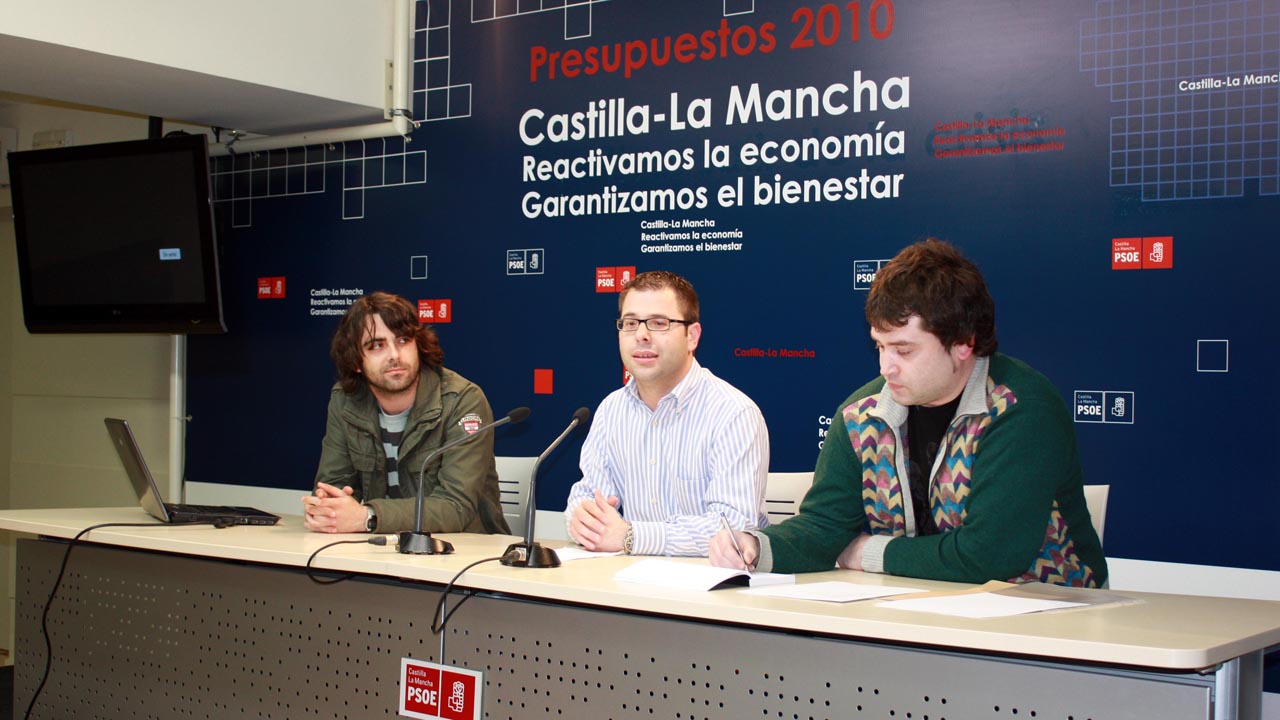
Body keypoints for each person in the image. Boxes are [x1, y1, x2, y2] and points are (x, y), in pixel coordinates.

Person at [710, 240, 1107, 587]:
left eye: (904, 350)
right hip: (920, 609)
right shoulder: (860, 415)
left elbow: (988, 555)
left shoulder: (1019, 409)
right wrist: (756, 547)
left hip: (1050, 614)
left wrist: (867, 552)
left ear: (964, 343)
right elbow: (824, 527)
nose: (886, 367)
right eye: (880, 347)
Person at [565, 271, 769, 557]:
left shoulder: (733, 413)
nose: (642, 335)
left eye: (659, 323)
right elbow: (589, 496)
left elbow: (733, 529)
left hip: (715, 589)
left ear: (692, 336)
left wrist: (632, 536)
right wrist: (582, 518)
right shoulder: (611, 411)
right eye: (631, 323)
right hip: (628, 583)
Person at [303, 291, 510, 535]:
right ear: (356, 361)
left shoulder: (462, 400)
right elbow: (334, 484)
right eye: (377, 345)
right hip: (380, 550)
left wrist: (368, 517)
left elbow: (455, 507)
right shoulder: (345, 400)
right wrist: (329, 507)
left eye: (403, 341)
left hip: (461, 552)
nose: (394, 355)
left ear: (418, 346)